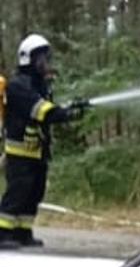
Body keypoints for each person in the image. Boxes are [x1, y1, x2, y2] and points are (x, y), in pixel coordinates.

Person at [0, 35, 88, 248]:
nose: (45, 63)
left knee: (34, 192)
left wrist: (71, 110)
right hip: (20, 153)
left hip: (38, 151)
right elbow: (42, 111)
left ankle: (22, 232)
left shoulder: (39, 85)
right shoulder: (19, 85)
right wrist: (65, 114)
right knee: (18, 192)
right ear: (29, 59)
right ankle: (3, 233)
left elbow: (49, 109)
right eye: (41, 58)